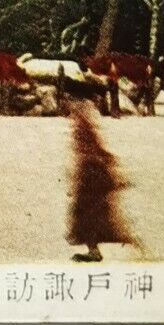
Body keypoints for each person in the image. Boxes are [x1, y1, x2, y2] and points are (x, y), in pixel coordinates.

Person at [68, 100, 135, 262]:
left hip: (91, 179)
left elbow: (90, 153)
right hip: (91, 177)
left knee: (87, 217)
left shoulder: (82, 130)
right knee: (94, 217)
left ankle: (97, 249)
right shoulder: (85, 129)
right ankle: (96, 248)